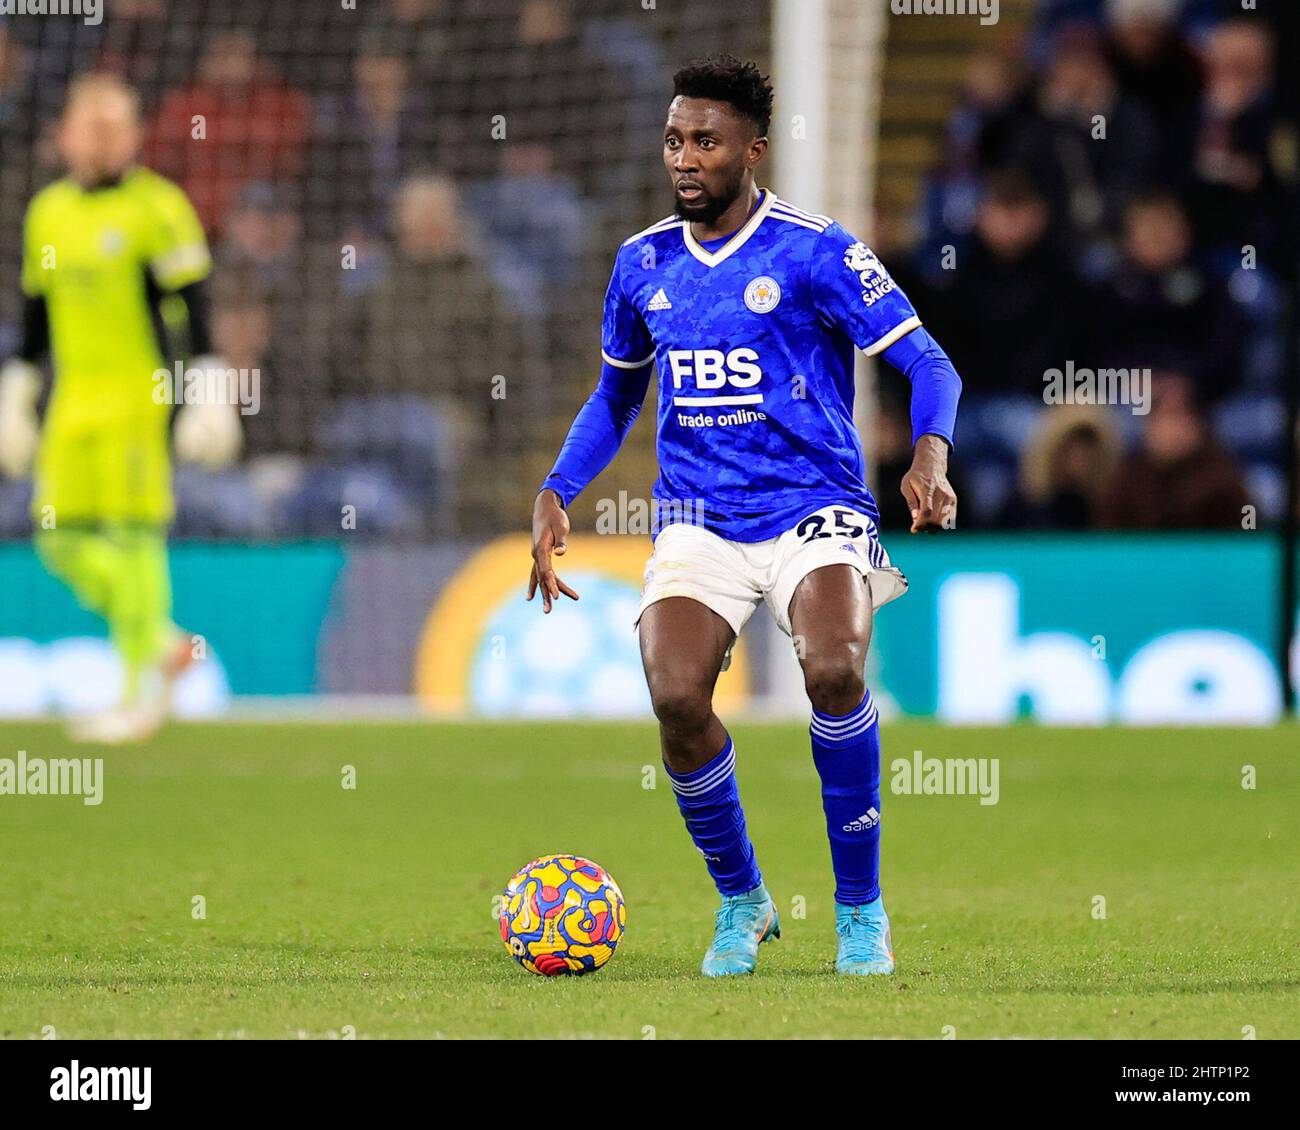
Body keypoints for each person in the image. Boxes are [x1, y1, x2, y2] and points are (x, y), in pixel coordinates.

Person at [527, 56, 961, 977]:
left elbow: (930, 364)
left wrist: (929, 452)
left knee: (836, 670)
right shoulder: (641, 262)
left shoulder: (815, 251)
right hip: (699, 516)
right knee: (678, 697)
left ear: (753, 150)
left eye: (706, 141)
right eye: (675, 140)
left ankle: (859, 912)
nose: (685, 158)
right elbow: (615, 399)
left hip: (815, 505)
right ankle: (744, 903)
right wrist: (558, 488)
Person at [0, 75, 241, 742]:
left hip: (141, 396)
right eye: (91, 126)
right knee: (59, 538)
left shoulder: (157, 208)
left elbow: (194, 306)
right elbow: (35, 314)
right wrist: (15, 395)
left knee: (136, 540)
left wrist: (208, 390)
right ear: (66, 134)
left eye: (116, 126)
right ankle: (163, 643)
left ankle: (140, 693)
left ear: (134, 134)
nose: (102, 139)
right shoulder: (47, 211)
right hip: (73, 401)